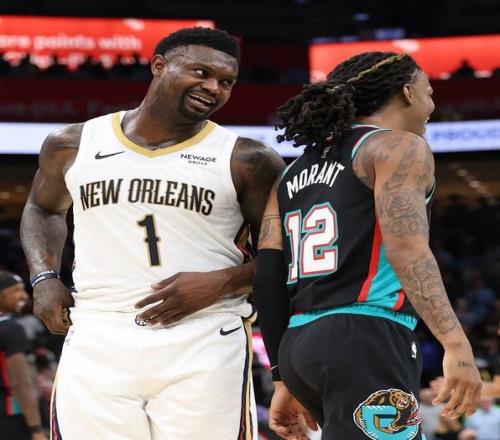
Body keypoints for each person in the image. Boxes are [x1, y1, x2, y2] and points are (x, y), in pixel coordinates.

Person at [20, 27, 285, 439]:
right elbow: (43, 208)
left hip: (204, 333)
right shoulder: (73, 143)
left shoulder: (249, 159)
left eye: (226, 82)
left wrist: (222, 282)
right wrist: (44, 277)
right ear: (159, 65)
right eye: (201, 73)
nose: (213, 88)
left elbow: (286, 252)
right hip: (96, 329)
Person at [253, 51, 482, 439]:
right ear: (407, 92)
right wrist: (456, 344)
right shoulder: (397, 147)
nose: (432, 106)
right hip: (365, 334)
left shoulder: (292, 171)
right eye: (429, 93)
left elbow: (268, 275)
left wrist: (281, 375)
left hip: (298, 343)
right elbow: (407, 249)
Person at [0, 270, 47, 440]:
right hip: (12, 417)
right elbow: (21, 382)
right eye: (16, 291)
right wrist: (36, 428)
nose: (24, 296)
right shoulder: (11, 328)